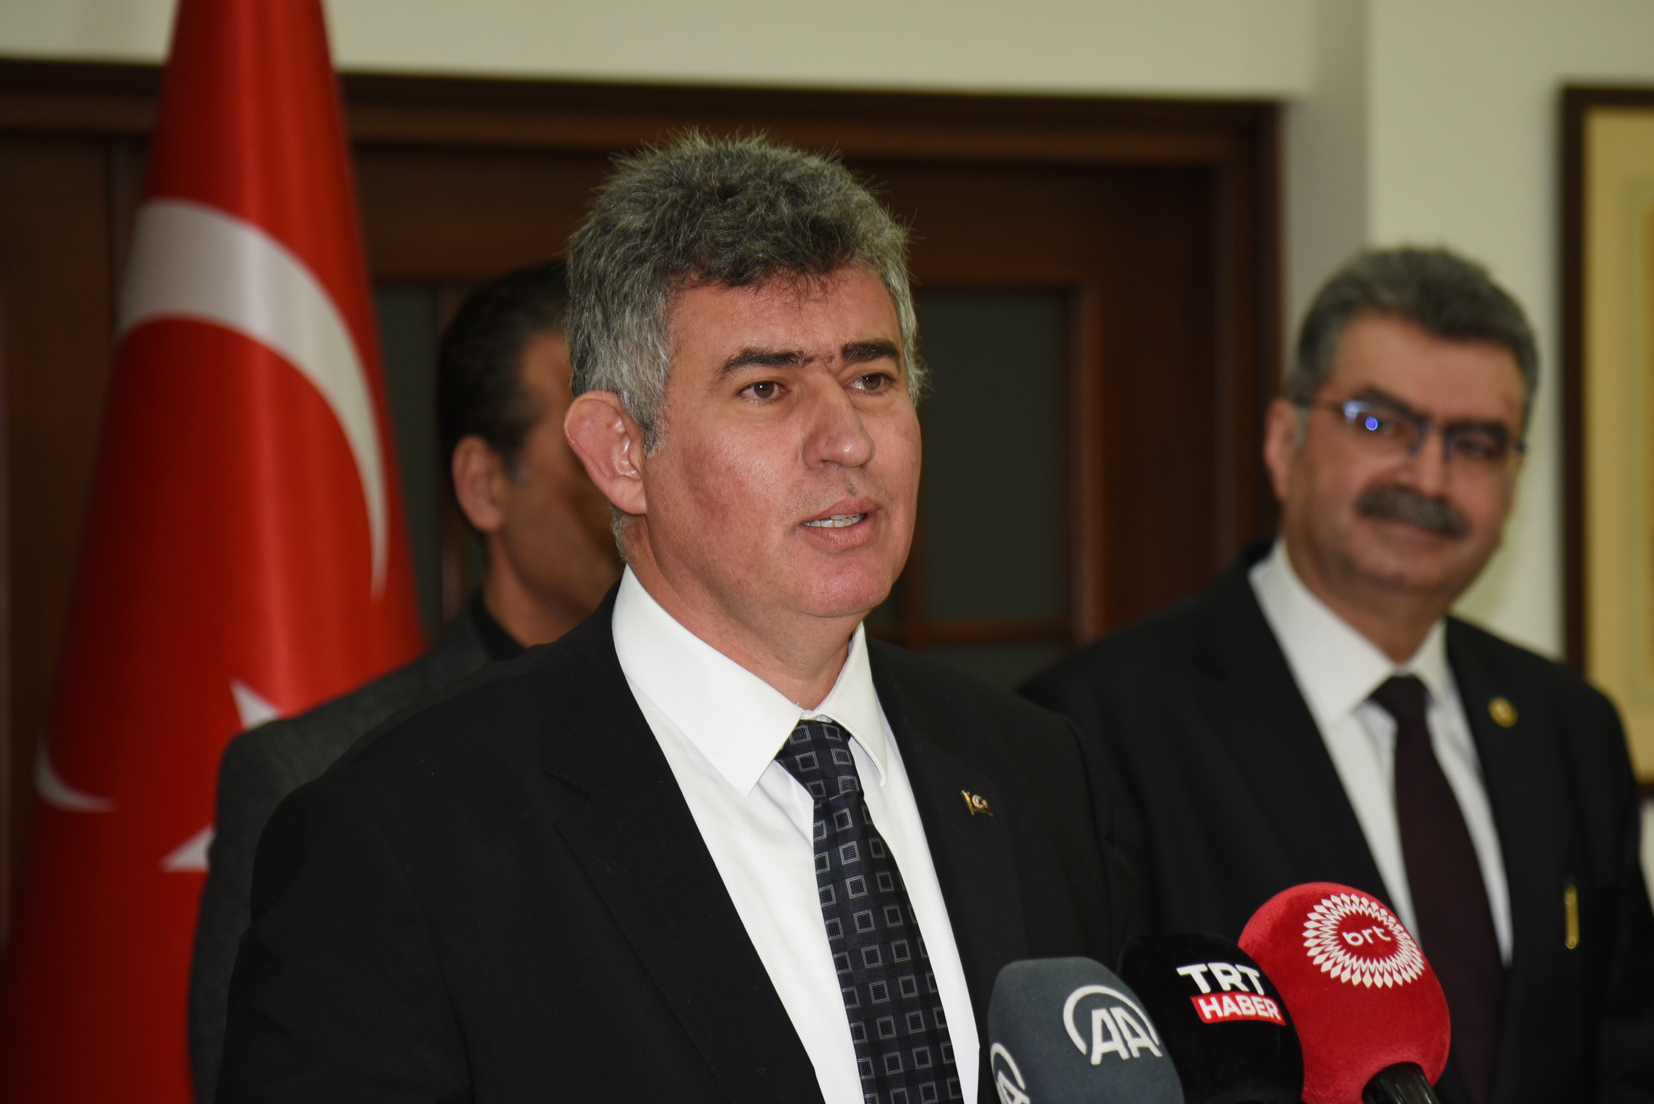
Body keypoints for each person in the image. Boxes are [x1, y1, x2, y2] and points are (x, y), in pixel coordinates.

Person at [214, 135, 1130, 1104]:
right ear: (619, 453)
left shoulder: (1036, 771)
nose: (848, 440)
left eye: (871, 377)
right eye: (766, 388)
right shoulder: (399, 839)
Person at [1024, 247, 1654, 1104]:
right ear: (1283, 442)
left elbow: (1627, 1056)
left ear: (1514, 483)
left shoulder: (1568, 727)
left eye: (1474, 444)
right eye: (1380, 424)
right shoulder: (1089, 730)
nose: (1427, 477)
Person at [188, 260, 619, 1101]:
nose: (627, 477)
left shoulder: (742, 731)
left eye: (642, 436)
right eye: (587, 449)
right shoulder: (314, 775)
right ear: (483, 485)